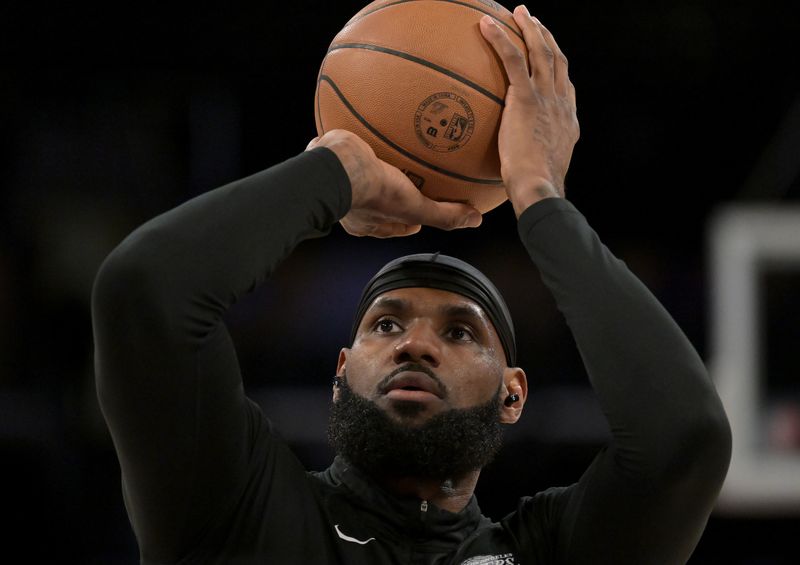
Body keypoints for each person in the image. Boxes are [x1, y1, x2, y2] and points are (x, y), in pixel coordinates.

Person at [91, 6, 731, 564]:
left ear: (514, 395)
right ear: (340, 372)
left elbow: (684, 440)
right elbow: (145, 291)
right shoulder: (235, 509)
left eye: (459, 331)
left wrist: (540, 198)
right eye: (386, 324)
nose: (414, 344)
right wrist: (336, 172)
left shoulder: (551, 551)